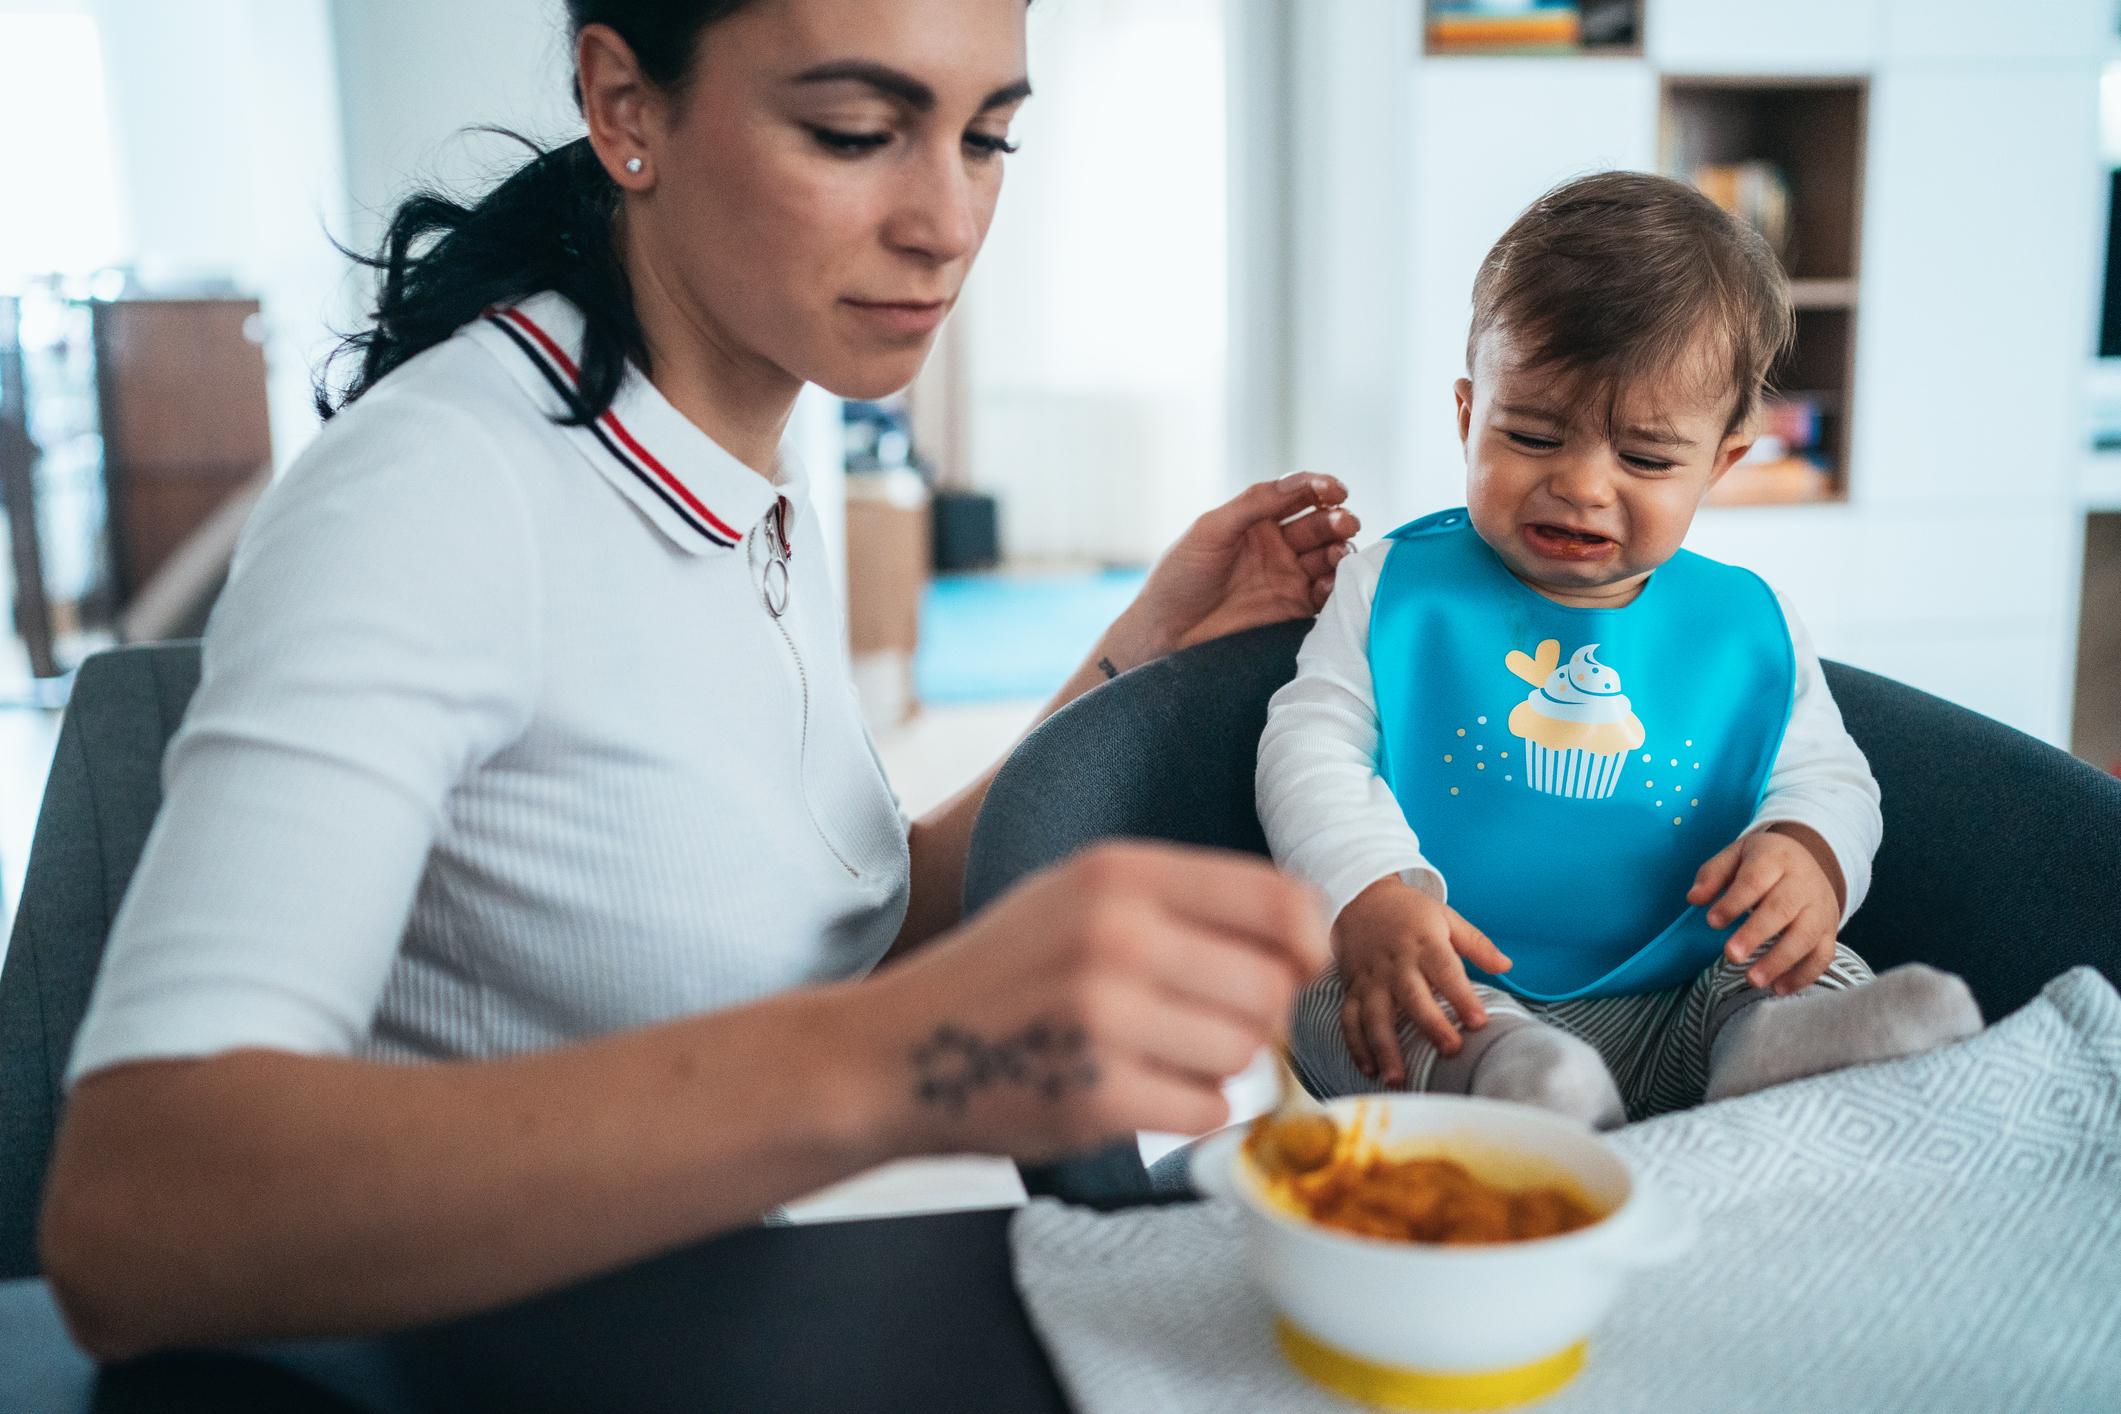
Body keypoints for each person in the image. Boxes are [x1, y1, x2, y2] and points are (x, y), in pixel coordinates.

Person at [38, 0, 1352, 1358]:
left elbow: (837, 932)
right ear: (623, 106)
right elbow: (136, 1208)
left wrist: (1134, 662)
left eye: (988, 138)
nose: (948, 223)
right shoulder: (436, 490)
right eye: (855, 132)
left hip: (705, 1325)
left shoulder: (749, 450)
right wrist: (920, 1059)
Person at [1258, 172, 1982, 1127]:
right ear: (1469, 416)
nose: (1583, 486)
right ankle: (1516, 1083)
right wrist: (1371, 888)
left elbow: (1831, 779)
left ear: (1720, 461)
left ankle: (1770, 1049)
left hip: (1685, 985)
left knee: (1791, 964)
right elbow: (1309, 742)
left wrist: (1806, 853)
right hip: (1456, 976)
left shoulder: (1745, 622)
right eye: (1532, 435)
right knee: (1333, 975)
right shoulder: (1395, 585)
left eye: (1643, 458)